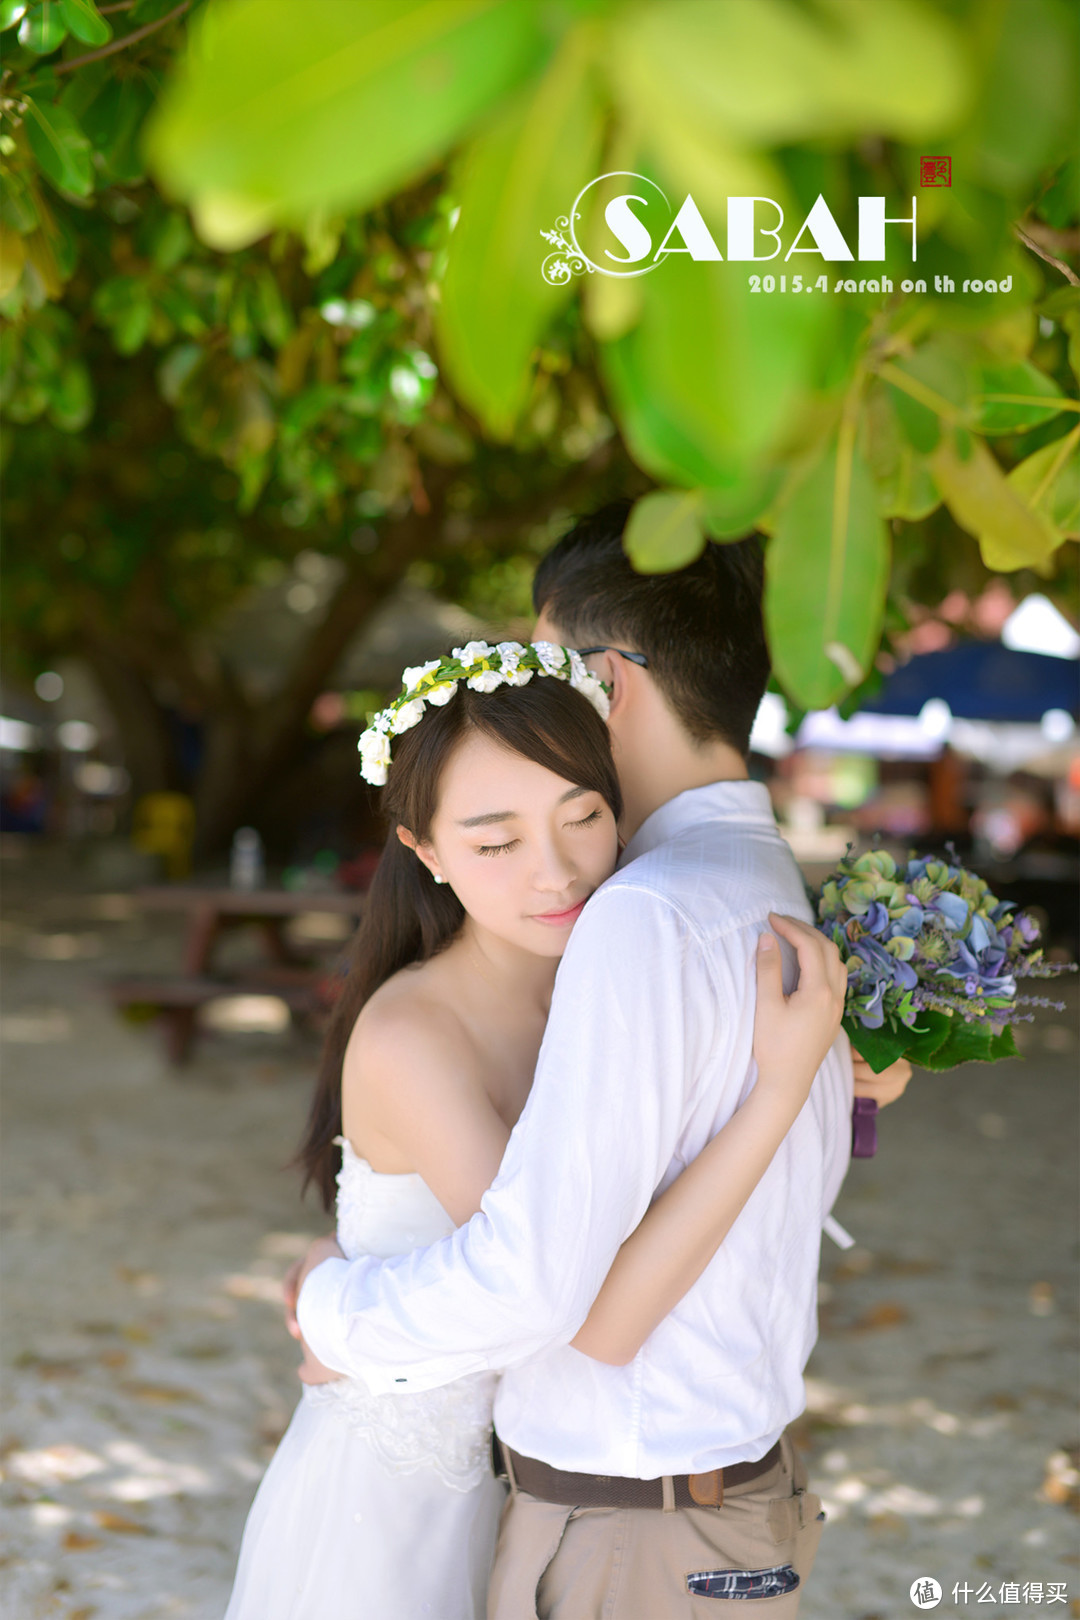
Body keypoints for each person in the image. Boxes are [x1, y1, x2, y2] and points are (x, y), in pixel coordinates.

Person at [293, 503, 911, 1618]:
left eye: (550, 673)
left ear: (608, 682)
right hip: (707, 1496)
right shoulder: (765, 887)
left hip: (638, 1522)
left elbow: (559, 1297)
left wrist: (330, 1309)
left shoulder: (647, 914)